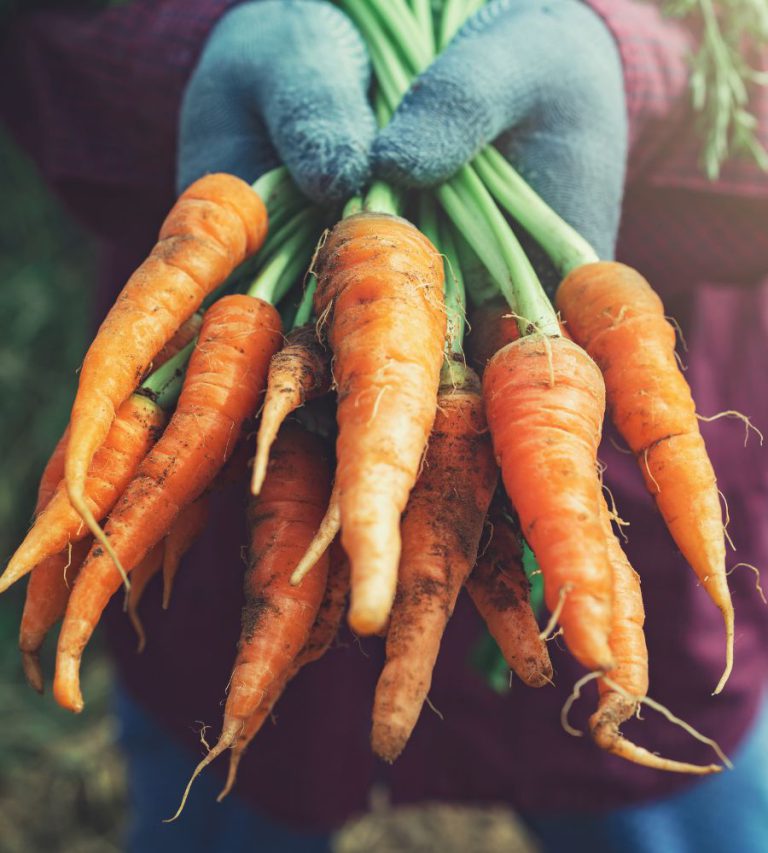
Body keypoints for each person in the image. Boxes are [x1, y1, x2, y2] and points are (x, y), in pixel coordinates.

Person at [2, 1, 768, 851]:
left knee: (659, 784)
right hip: (236, 483)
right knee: (236, 749)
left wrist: (625, 68)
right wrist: (195, 47)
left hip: (633, 489)